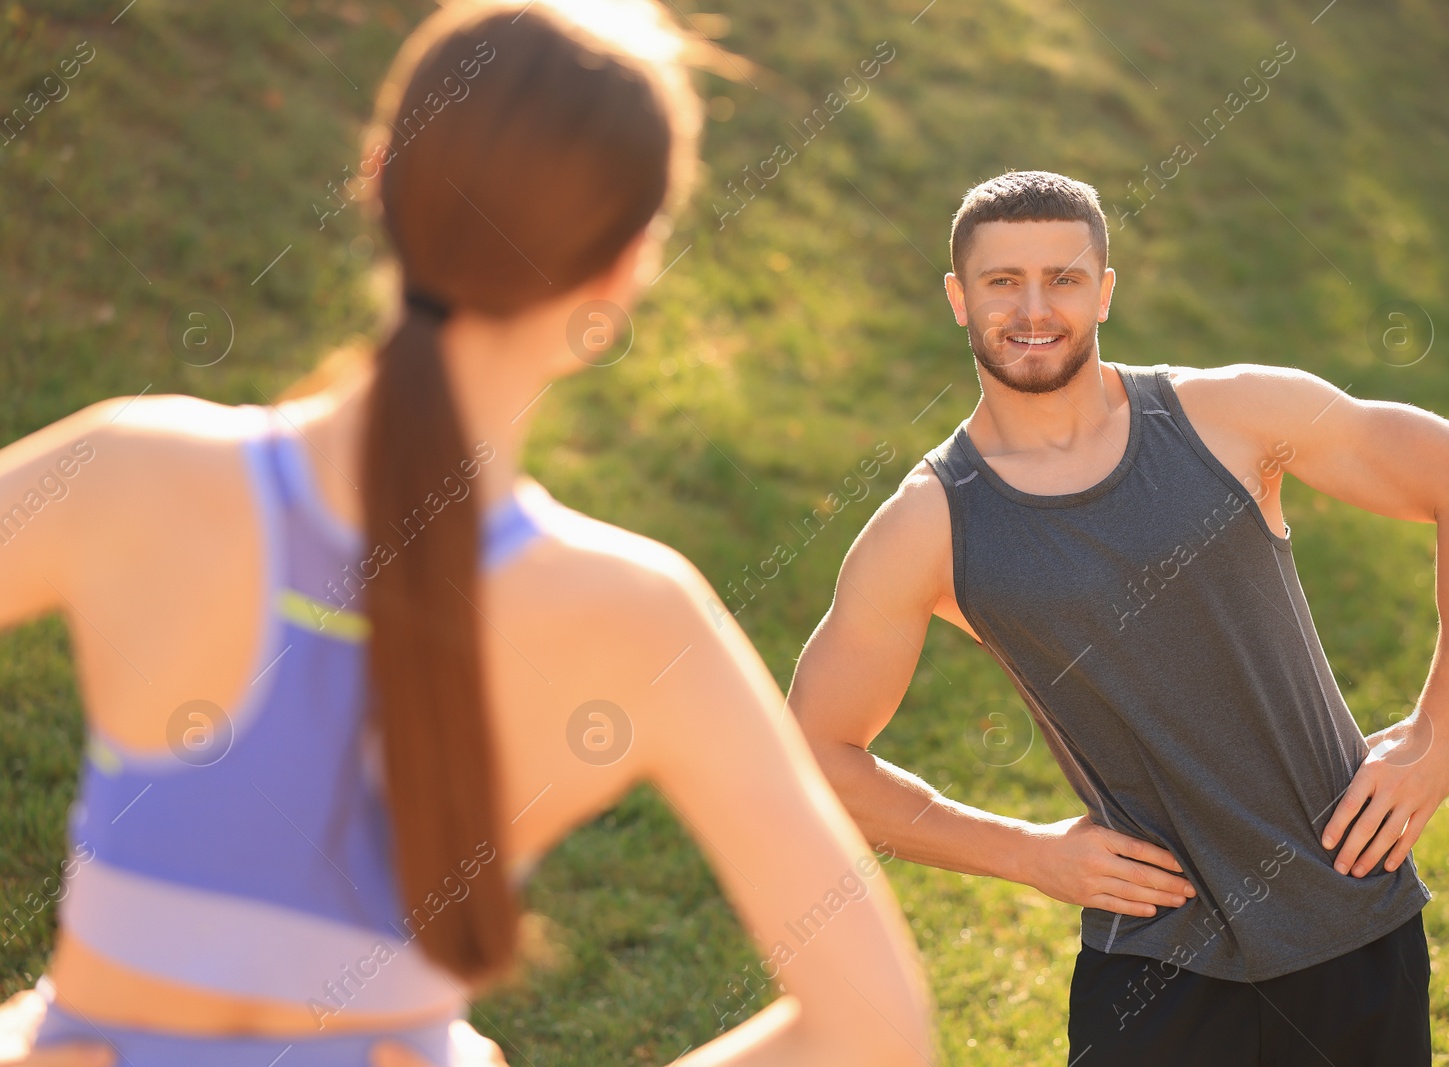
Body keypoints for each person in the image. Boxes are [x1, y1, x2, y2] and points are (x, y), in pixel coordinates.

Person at [0, 3, 932, 1064]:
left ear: (378, 173)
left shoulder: (133, 476)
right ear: (621, 275)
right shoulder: (635, 620)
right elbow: (876, 1030)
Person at [788, 170, 1449, 1065]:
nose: (1034, 308)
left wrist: (1443, 731)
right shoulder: (930, 522)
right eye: (1002, 282)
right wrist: (1027, 853)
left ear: (1104, 288)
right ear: (960, 298)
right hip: (1154, 962)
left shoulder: (1234, 415)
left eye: (1064, 278)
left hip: (1348, 907)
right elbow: (815, 752)